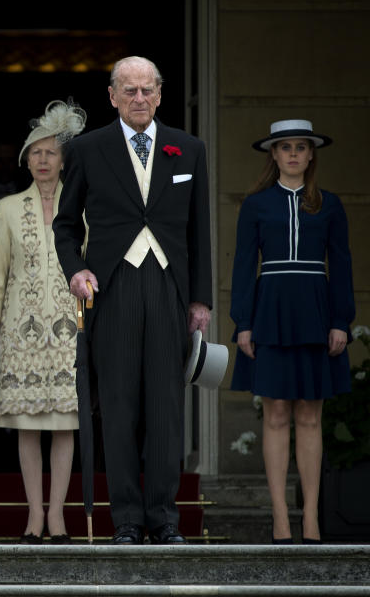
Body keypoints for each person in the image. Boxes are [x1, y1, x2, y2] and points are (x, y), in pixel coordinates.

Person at [53, 56, 212, 545]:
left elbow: (198, 230)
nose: (139, 98)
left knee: (166, 406)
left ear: (160, 95)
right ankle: (125, 517)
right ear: (113, 95)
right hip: (112, 287)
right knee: (118, 405)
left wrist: (201, 299)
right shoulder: (87, 149)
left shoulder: (188, 148)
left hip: (168, 288)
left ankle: (164, 517)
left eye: (147, 90)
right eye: (130, 90)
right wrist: (75, 269)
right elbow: (63, 225)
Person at [230, 120, 353, 545]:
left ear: (312, 154)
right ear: (275, 155)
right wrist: (242, 322)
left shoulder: (330, 205)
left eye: (302, 147)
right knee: (277, 413)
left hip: (317, 313)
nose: (295, 154)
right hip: (272, 314)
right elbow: (244, 267)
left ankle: (312, 519)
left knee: (310, 415)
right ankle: (280, 518)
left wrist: (341, 320)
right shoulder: (256, 205)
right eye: (286, 148)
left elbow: (342, 267)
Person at [0, 100, 86, 544]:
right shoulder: (7, 208)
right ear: (25, 159)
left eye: (51, 152)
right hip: (20, 328)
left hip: (70, 327)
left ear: (65, 158)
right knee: (26, 424)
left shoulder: (84, 205)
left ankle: (58, 515)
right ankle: (33, 516)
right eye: (35, 152)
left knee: (66, 422)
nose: (43, 160)